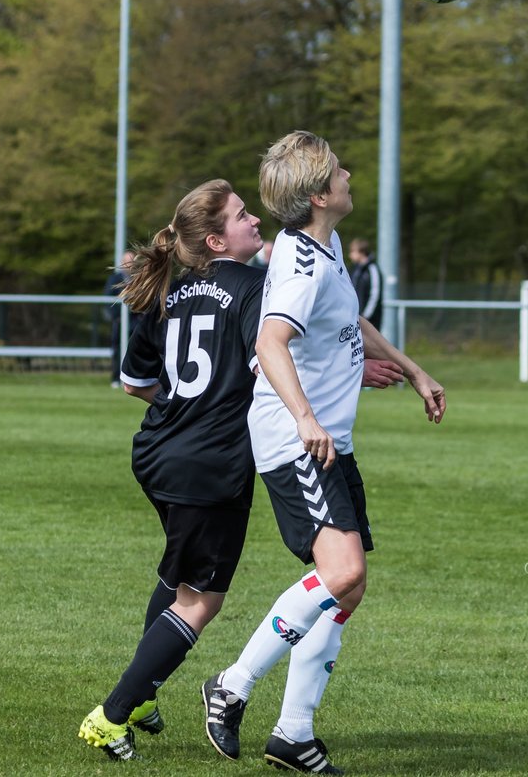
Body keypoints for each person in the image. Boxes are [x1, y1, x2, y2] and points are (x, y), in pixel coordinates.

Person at [203, 131, 446, 774]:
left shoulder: (320, 245)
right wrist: (307, 419)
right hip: (297, 441)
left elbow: (346, 318)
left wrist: (412, 370)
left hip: (328, 440)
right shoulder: (303, 265)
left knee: (349, 585)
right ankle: (231, 685)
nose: (348, 175)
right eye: (338, 171)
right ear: (319, 195)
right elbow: (271, 342)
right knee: (339, 575)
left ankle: (293, 733)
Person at [77, 179, 268, 761]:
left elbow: (136, 382)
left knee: (177, 577)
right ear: (216, 240)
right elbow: (273, 365)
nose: (255, 219)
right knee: (201, 601)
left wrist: (183, 408)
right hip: (210, 465)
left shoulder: (173, 290)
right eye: (241, 216)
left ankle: (140, 696)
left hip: (158, 452)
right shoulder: (253, 286)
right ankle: (110, 717)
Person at [103, 250, 138, 389]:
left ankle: (136, 378)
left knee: (137, 349)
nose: (128, 265)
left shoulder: (140, 278)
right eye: (126, 262)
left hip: (136, 321)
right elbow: (108, 299)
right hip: (120, 321)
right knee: (117, 350)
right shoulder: (115, 279)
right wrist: (116, 317)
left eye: (131, 262)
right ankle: (116, 378)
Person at [348, 237, 383, 331]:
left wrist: (365, 317)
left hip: (368, 321)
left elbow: (375, 295)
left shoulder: (372, 269)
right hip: (354, 319)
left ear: (361, 252)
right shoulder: (354, 269)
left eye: (352, 252)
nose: (350, 255)